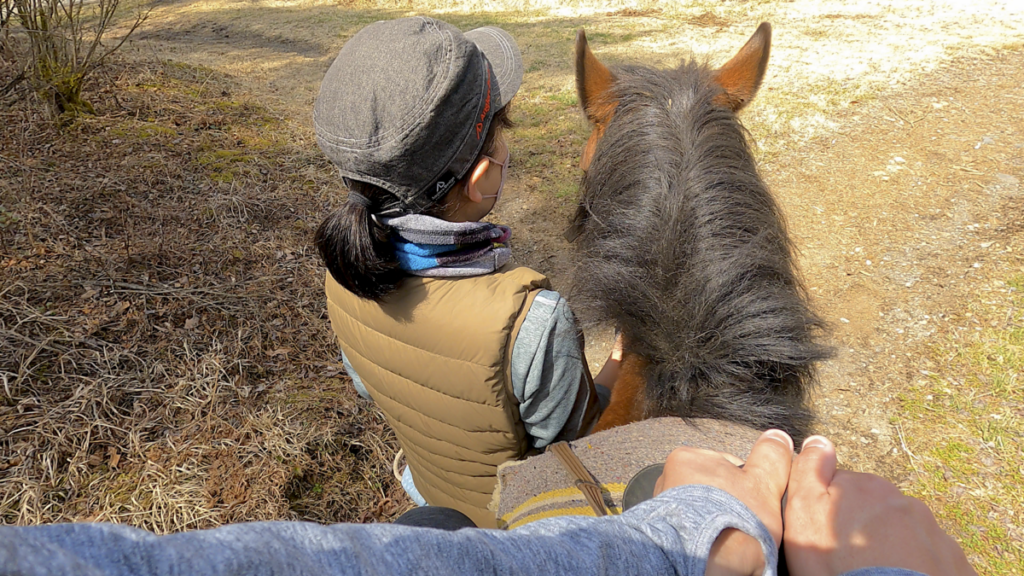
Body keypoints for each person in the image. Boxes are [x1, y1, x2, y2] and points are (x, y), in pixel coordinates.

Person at [311, 16, 621, 526]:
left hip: (430, 489)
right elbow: (577, 447)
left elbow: (373, 388)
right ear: (481, 179)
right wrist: (617, 362)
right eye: (504, 137)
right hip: (515, 530)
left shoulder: (345, 271)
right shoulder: (532, 322)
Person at [0, 431, 976, 576]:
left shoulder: (347, 273)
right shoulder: (529, 308)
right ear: (476, 173)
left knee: (429, 517)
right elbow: (556, 411)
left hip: (427, 472)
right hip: (518, 472)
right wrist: (689, 531)